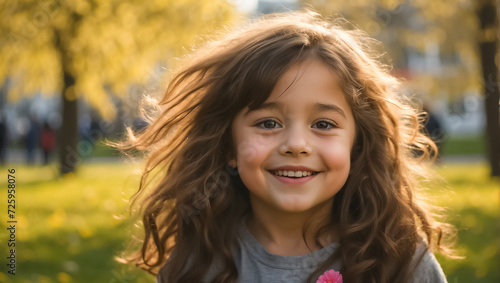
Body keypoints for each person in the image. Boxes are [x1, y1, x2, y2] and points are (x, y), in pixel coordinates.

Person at [119, 10, 455, 283]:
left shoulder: (400, 263)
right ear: (228, 146)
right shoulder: (195, 266)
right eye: (268, 123)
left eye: (323, 125)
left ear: (357, 145)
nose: (296, 145)